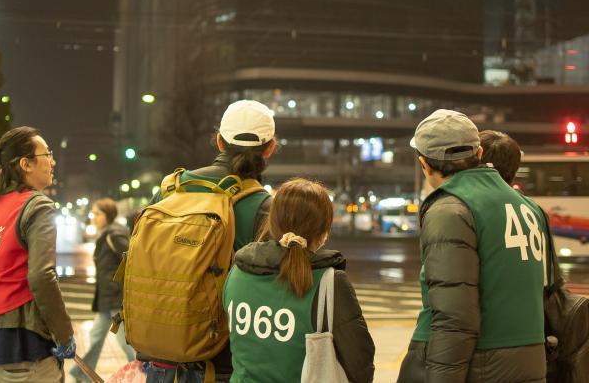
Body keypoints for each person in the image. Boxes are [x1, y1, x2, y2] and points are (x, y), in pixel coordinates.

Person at [397, 110, 548, 383]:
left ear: (424, 164)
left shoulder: (451, 209)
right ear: (479, 153)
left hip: (480, 364)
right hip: (530, 360)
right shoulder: (528, 207)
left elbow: (454, 315)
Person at [144, 99, 279, 382]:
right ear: (270, 147)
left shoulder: (171, 189)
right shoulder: (264, 208)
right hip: (222, 362)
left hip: (158, 356)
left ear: (219, 141)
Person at [222, 178, 375, 383]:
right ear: (323, 233)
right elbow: (360, 363)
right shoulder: (329, 282)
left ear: (273, 222)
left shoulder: (237, 272)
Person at [0, 126, 75, 382]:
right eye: (47, 154)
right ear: (26, 164)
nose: (52, 161)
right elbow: (41, 277)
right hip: (26, 353)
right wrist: (65, 335)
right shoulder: (37, 206)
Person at [69, 198, 134, 382]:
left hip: (116, 300)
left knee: (124, 342)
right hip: (107, 300)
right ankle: (81, 373)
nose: (94, 218)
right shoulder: (106, 235)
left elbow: (131, 260)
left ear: (108, 215)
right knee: (95, 336)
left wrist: (120, 290)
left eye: (98, 214)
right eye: (93, 214)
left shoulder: (114, 235)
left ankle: (143, 372)